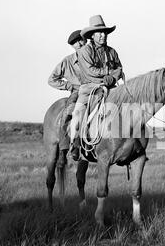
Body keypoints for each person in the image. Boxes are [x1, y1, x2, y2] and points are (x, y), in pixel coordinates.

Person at [69, 15, 123, 161]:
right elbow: (90, 71)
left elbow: (119, 67)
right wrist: (107, 74)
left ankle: (127, 146)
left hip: (110, 87)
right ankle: (76, 143)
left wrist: (113, 77)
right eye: (99, 33)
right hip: (89, 89)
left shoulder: (112, 52)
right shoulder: (85, 51)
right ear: (92, 35)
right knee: (78, 114)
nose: (103, 35)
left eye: (104, 32)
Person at [48, 29, 86, 167]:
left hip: (96, 90)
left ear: (86, 40)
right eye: (76, 43)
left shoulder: (95, 57)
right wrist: (68, 86)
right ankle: (64, 149)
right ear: (73, 46)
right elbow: (52, 79)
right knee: (67, 114)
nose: (80, 44)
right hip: (77, 92)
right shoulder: (68, 62)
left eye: (81, 40)